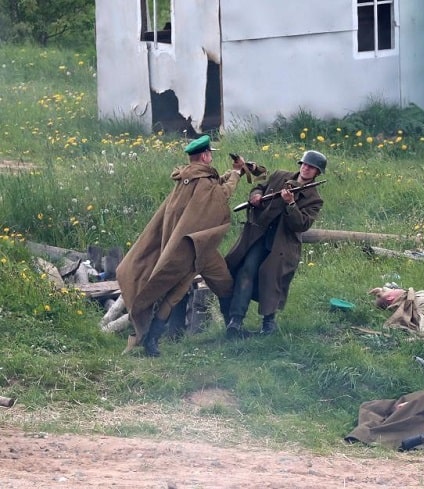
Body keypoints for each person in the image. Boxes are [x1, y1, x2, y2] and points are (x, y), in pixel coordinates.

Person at [116, 135, 245, 357]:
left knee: (222, 284)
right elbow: (220, 195)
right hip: (192, 249)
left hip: (197, 247)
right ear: (205, 156)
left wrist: (234, 173)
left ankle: (233, 330)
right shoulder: (201, 181)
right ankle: (152, 341)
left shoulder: (189, 178)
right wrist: (235, 174)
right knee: (178, 294)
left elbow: (213, 189)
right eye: (210, 154)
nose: (211, 156)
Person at [221, 150, 326, 337]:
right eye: (304, 164)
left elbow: (301, 224)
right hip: (259, 235)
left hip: (283, 245)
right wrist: (256, 195)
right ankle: (235, 321)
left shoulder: (314, 199)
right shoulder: (280, 176)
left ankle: (268, 323)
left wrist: (291, 204)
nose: (306, 168)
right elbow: (260, 187)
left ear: (317, 172)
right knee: (246, 271)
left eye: (311, 167)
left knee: (271, 279)